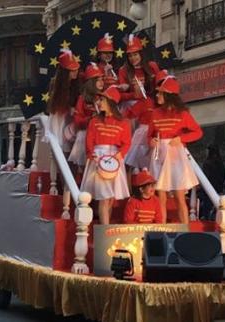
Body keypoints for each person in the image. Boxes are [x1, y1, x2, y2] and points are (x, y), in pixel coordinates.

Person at [148, 77, 203, 223]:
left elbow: (197, 132)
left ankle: (185, 230)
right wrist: (151, 141)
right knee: (161, 195)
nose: (157, 96)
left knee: (179, 195)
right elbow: (150, 135)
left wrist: (181, 139)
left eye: (160, 93)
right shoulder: (154, 113)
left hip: (175, 154)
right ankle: (163, 228)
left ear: (168, 95)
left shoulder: (183, 114)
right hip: (159, 155)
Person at [81, 85, 131, 224]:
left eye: (102, 100)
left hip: (114, 159)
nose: (99, 102)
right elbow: (89, 140)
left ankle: (105, 225)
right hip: (98, 158)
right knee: (104, 196)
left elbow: (127, 143)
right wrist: (92, 154)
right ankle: (105, 228)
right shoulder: (94, 121)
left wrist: (120, 155)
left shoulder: (123, 122)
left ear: (110, 102)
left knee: (110, 198)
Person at [118, 36, 161, 171]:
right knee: (132, 143)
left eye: (135, 54)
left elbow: (160, 85)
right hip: (131, 108)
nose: (133, 58)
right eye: (130, 56)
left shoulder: (152, 67)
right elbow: (119, 95)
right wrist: (133, 95)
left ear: (141, 53)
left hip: (149, 107)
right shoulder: (123, 70)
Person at [69, 63, 104, 172]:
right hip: (85, 136)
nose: (102, 82)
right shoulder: (82, 99)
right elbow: (77, 120)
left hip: (101, 137)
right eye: (98, 80)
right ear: (91, 82)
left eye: (103, 79)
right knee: (84, 169)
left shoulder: (106, 97)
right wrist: (90, 119)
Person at [46, 50, 80, 153]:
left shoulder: (75, 84)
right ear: (65, 72)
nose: (76, 72)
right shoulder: (56, 84)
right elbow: (57, 106)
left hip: (70, 119)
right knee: (59, 144)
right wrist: (70, 109)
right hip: (59, 119)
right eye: (72, 70)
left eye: (76, 69)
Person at [201, 145, 225, 220]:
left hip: (208, 190)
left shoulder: (207, 163)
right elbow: (223, 175)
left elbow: (205, 177)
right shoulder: (220, 163)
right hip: (218, 189)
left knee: (208, 209)